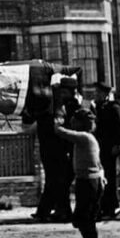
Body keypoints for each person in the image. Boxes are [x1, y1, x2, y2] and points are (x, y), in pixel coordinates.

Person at [23, 77, 80, 222]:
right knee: (55, 180)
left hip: (62, 149)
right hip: (52, 148)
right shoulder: (53, 106)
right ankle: (47, 210)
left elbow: (67, 127)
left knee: (60, 181)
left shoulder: (71, 106)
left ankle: (62, 211)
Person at [54, 108, 105, 238]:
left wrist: (57, 119)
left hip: (88, 183)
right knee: (84, 219)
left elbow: (60, 132)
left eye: (75, 119)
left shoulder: (84, 137)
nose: (72, 122)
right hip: (89, 182)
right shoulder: (89, 138)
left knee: (84, 220)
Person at [92, 82, 120, 218]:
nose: (96, 95)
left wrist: (118, 145)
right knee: (104, 178)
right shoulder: (99, 108)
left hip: (110, 149)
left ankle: (112, 207)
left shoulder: (114, 108)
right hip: (102, 149)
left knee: (110, 179)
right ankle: (106, 206)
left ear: (106, 95)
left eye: (99, 93)